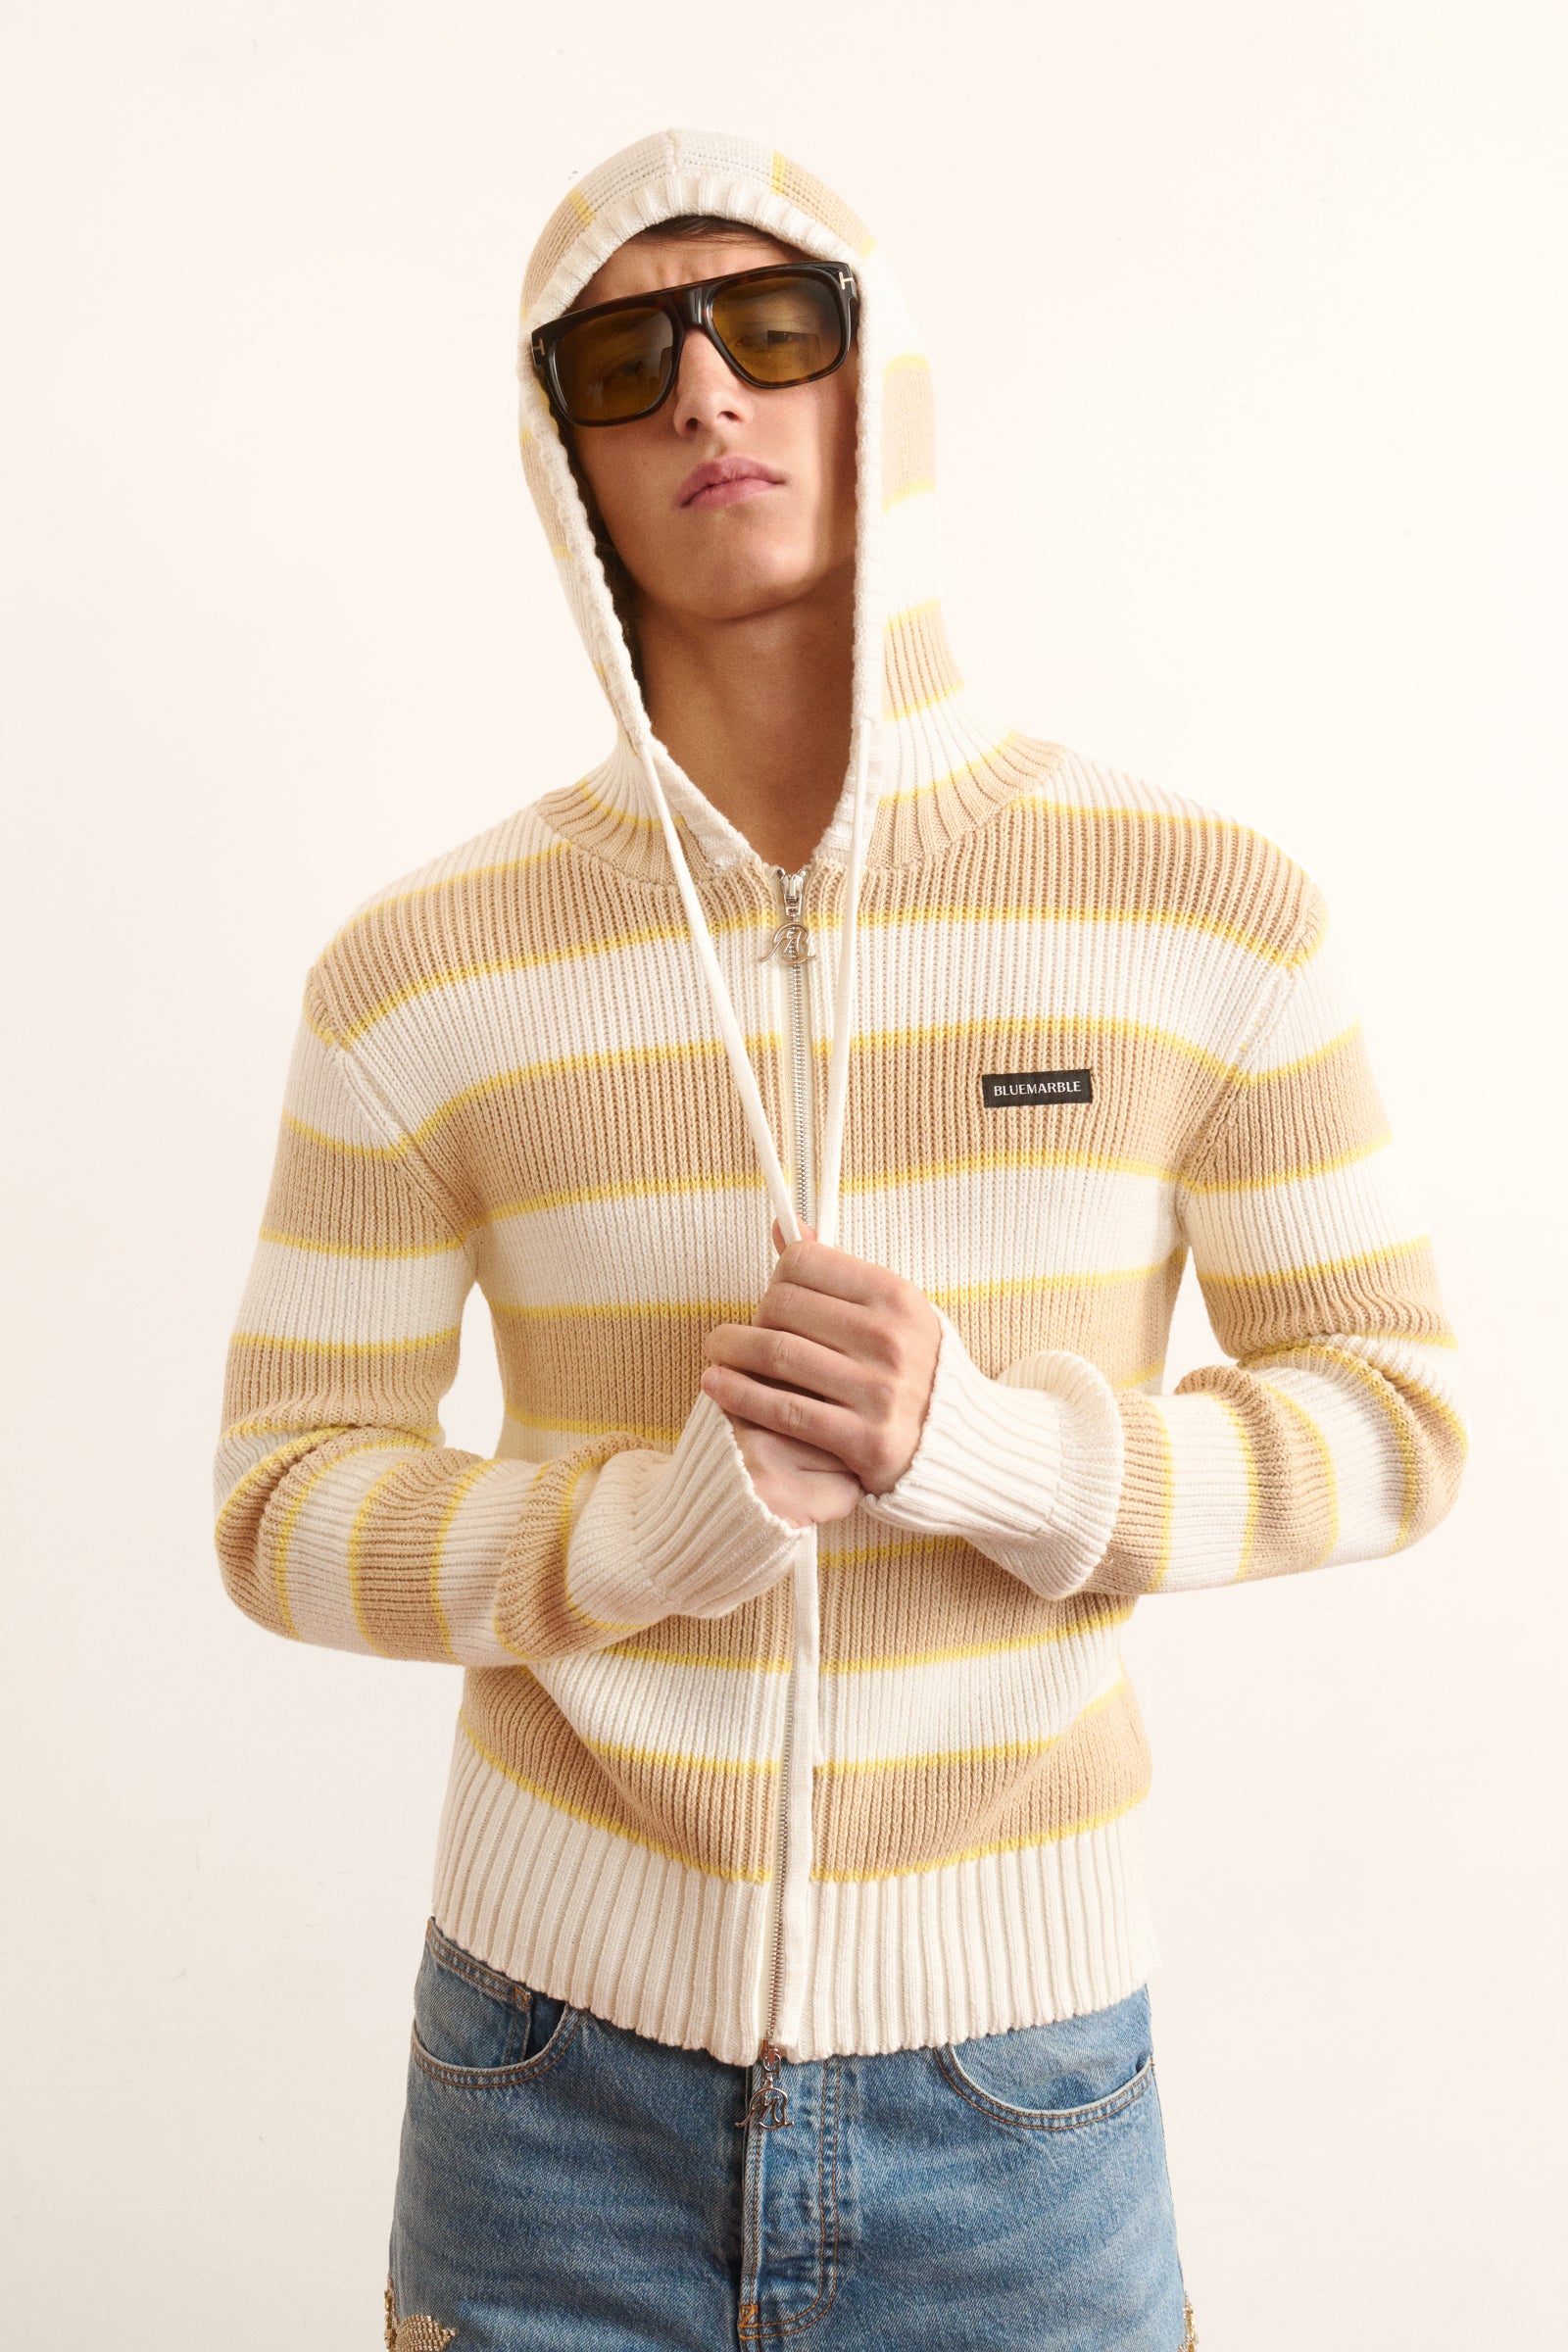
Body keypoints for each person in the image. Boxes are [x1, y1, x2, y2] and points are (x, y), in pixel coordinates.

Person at [214, 127, 1466, 2352]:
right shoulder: (418, 976)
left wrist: (1000, 1453)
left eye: (772, 327)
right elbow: (281, 1502)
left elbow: (1395, 1421)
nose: (706, 391)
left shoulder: (1203, 911)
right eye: (627, 359)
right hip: (545, 2079)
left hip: (1021, 2095)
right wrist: (629, 1538)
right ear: (565, 463)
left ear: (881, 382)